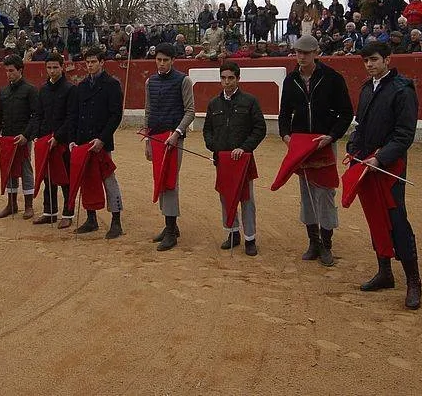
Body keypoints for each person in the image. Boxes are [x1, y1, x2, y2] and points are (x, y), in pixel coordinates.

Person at [347, 41, 422, 310]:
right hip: (367, 162)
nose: (369, 64)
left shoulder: (403, 89)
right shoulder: (368, 88)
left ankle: (413, 281)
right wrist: (353, 148)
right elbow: (361, 125)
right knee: (375, 216)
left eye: (374, 59)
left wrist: (379, 157)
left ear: (388, 59)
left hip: (390, 166)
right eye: (366, 60)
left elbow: (404, 135)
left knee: (396, 218)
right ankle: (385, 272)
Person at [278, 35, 354, 266]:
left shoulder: (332, 78)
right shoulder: (291, 80)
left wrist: (331, 136)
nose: (301, 57)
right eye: (298, 52)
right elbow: (284, 113)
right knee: (307, 193)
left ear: (316, 53)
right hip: (301, 144)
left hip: (324, 141)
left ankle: (327, 245)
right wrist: (286, 136)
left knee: (326, 193)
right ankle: (313, 243)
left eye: (306, 53)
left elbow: (346, 113)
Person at [201, 60, 267, 256]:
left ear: (238, 79)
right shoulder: (214, 103)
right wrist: (215, 147)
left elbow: (260, 129)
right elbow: (207, 130)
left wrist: (244, 148)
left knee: (247, 199)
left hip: (242, 160)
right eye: (223, 78)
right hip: (223, 160)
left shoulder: (249, 101)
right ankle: (232, 232)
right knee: (225, 196)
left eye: (231, 78)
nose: (227, 82)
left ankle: (250, 238)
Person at [65, 47, 124, 238]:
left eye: (93, 62)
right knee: (87, 180)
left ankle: (116, 221)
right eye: (87, 62)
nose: (90, 65)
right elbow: (74, 115)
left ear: (102, 62)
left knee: (109, 180)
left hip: (102, 142)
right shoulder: (81, 87)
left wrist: (102, 138)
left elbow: (115, 116)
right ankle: (91, 219)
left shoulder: (112, 84)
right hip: (83, 142)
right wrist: (73, 140)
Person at [144, 43, 195, 251]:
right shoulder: (151, 82)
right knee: (160, 179)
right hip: (156, 137)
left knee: (170, 180)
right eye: (159, 60)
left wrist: (177, 134)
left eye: (166, 60)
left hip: (173, 138)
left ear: (173, 61)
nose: (162, 63)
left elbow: (190, 111)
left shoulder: (183, 80)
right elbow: (148, 111)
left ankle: (171, 229)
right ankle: (170, 225)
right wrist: (147, 140)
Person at [29, 53, 75, 227]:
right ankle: (49, 212)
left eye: (55, 67)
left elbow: (71, 117)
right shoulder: (43, 89)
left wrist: (58, 137)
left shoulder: (70, 89)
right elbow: (38, 115)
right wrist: (37, 135)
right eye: (49, 67)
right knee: (48, 177)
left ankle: (68, 214)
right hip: (45, 140)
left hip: (62, 142)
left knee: (65, 178)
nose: (52, 71)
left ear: (62, 67)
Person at [0, 54, 40, 219]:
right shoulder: (3, 91)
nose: (8, 74)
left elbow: (36, 116)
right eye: (6, 71)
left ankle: (28, 206)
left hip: (22, 138)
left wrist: (26, 135)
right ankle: (11, 204)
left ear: (20, 70)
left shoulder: (30, 90)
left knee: (25, 169)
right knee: (9, 168)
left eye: (11, 70)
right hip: (7, 137)